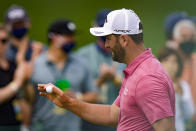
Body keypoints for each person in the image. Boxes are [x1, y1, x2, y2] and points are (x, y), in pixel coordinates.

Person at [38, 8, 176, 131]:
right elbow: (112, 114)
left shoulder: (147, 78)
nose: (106, 44)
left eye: (108, 38)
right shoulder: (137, 71)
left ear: (123, 40)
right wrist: (68, 102)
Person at [30, 19, 97, 131]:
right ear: (53, 37)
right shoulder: (36, 65)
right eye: (68, 36)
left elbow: (94, 95)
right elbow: (28, 100)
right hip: (42, 127)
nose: (72, 40)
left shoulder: (81, 63)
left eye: (73, 36)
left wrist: (77, 97)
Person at [76, 9, 124, 131]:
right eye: (103, 27)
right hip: (90, 123)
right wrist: (101, 80)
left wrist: (115, 78)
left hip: (119, 122)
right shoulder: (82, 56)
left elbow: (135, 90)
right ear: (94, 26)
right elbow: (76, 93)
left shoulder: (125, 54)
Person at [4, 5, 45, 130]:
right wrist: (27, 57)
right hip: (10, 116)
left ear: (28, 23)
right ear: (7, 27)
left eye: (21, 24)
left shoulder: (41, 49)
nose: (19, 28)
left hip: (40, 113)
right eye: (15, 25)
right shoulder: (3, 50)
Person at [158, 47, 194, 131]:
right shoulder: (154, 85)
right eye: (166, 60)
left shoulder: (183, 85)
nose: (171, 65)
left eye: (174, 61)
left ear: (179, 65)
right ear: (160, 63)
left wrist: (182, 95)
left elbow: (190, 113)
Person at [0, 24, 27, 131]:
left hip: (17, 125)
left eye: (3, 40)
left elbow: (26, 98)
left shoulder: (13, 66)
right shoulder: (17, 74)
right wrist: (17, 83)